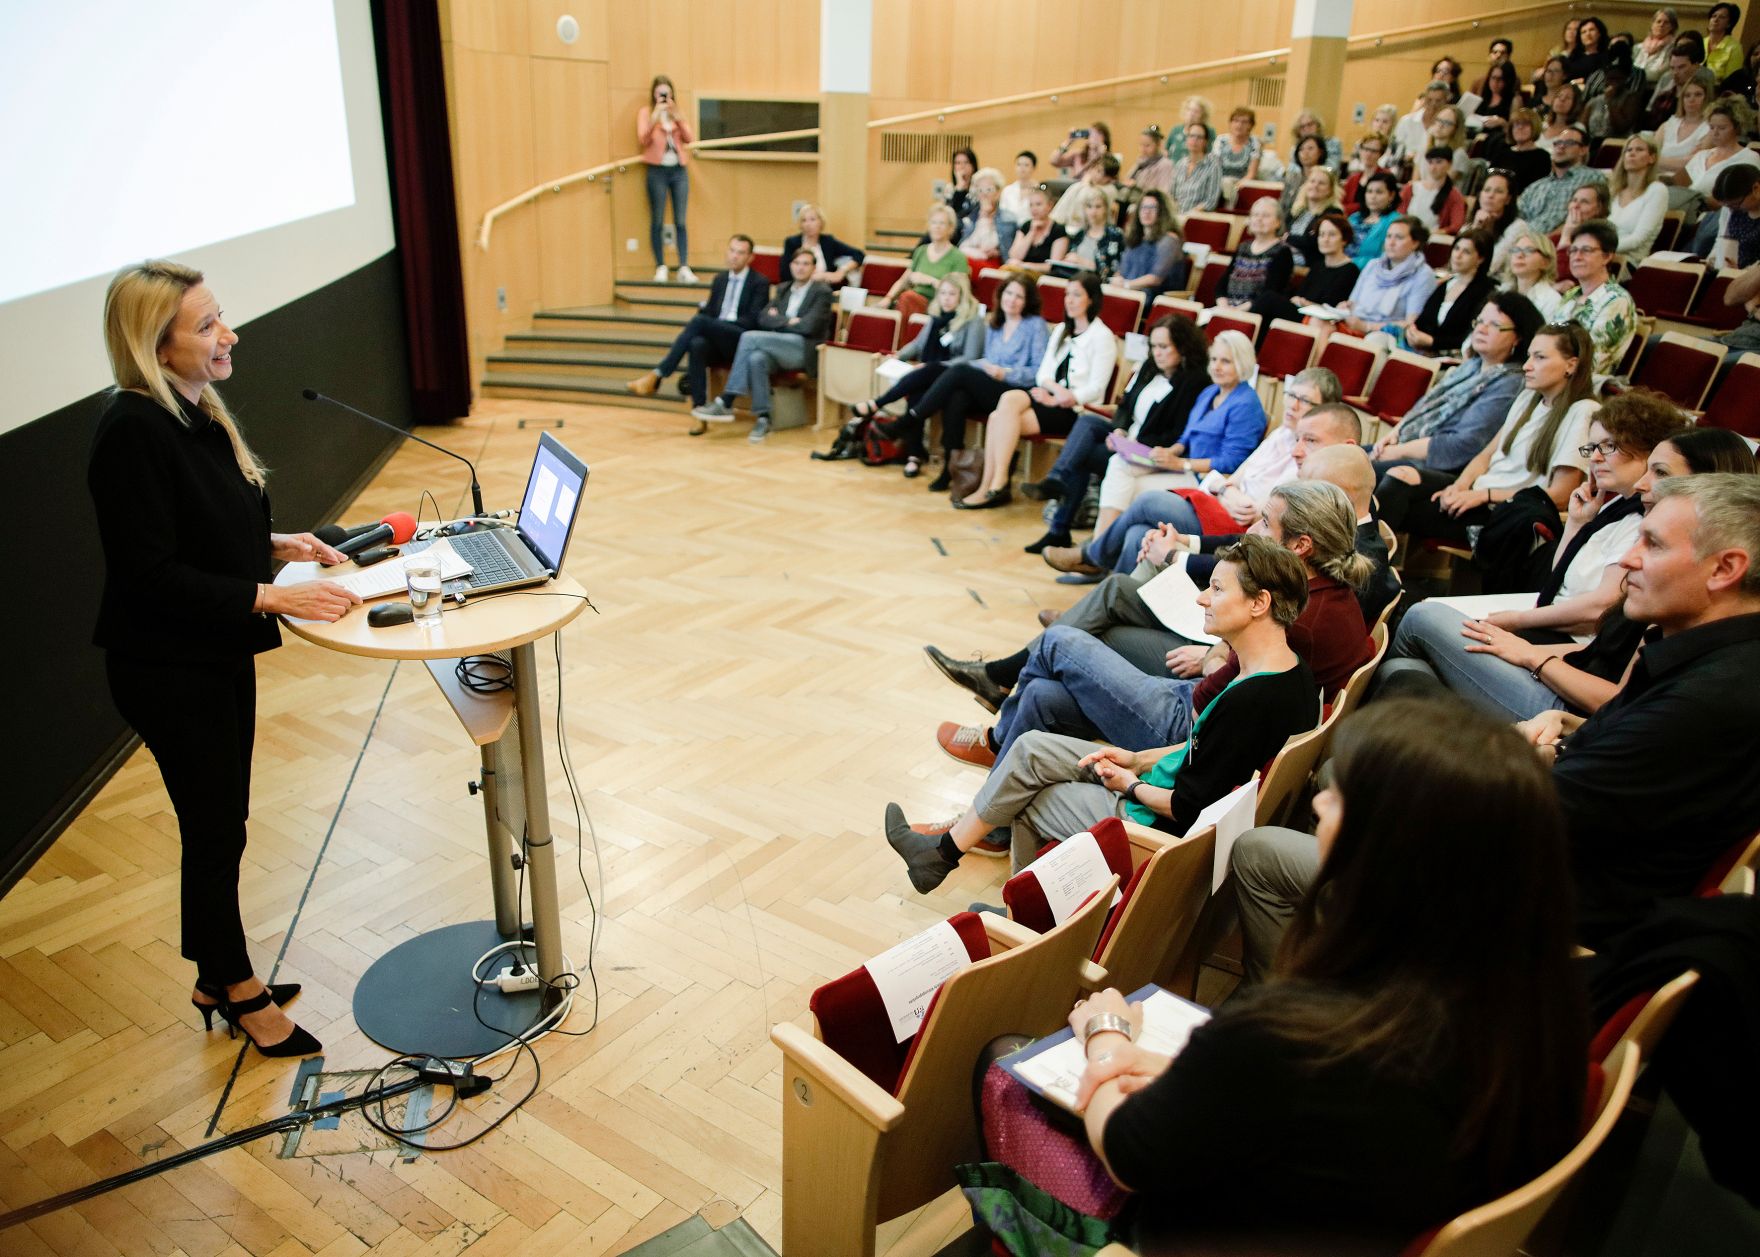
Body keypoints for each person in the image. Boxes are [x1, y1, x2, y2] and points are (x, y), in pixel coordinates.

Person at [1086, 696, 1588, 1254]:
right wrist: (1169, 1066)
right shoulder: (1535, 1004)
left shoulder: (1297, 1035)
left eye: (1341, 794)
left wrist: (1105, 1037)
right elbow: (1283, 1106)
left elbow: (1131, 1154)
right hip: (1357, 1217)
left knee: (1007, 1067)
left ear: (1389, 844)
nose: (1320, 801)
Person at [90, 261, 355, 1058]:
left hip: (208, 654)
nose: (227, 335)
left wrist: (276, 545)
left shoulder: (193, 413)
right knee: (214, 828)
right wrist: (275, 596)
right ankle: (237, 988)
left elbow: (199, 528)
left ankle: (215, 973)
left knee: (221, 826)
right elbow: (151, 574)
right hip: (166, 666)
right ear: (153, 344)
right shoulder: (131, 429)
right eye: (205, 327)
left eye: (220, 318)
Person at [886, 535, 1320, 889]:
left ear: (1259, 603)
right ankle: (938, 858)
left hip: (1161, 829)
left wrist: (1130, 784)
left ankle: (1019, 917)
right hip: (1162, 783)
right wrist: (1135, 758)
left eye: (1218, 589)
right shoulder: (1290, 672)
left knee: (1029, 797)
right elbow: (1203, 751)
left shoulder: (1251, 699)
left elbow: (1187, 808)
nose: (1203, 598)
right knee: (1031, 748)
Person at [959, 482, 1367, 780]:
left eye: (1264, 522)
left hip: (1186, 728)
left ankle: (997, 738)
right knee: (1041, 695)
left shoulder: (1302, 617)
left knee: (1059, 641)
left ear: (1301, 546)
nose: (1253, 531)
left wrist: (1214, 653)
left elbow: (1216, 688)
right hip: (1198, 712)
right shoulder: (1323, 593)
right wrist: (1218, 651)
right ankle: (994, 821)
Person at [1378, 423, 1757, 723]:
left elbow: (1620, 698)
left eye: (1659, 472)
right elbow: (1589, 637)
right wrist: (1576, 526)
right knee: (1404, 668)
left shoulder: (1681, 589)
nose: (1643, 481)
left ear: (1705, 485)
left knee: (1421, 615)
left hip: (1571, 707)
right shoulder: (1624, 515)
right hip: (1568, 670)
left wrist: (1532, 656)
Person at [1538, 472, 1760, 945]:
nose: (1627, 558)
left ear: (1725, 569)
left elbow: (1536, 814)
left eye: (1652, 545)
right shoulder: (1701, 656)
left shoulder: (1709, 698)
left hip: (1558, 912)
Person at [1044, 397, 1364, 581]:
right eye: (1291, 395)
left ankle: (1094, 560)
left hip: (1236, 529)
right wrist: (1223, 493)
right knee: (1138, 531)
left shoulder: (1316, 494)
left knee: (1148, 503)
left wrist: (1175, 554)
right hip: (1225, 505)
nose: (1293, 405)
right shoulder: (1284, 438)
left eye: (1304, 400)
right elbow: (1231, 477)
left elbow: (1255, 548)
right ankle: (1104, 604)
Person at [1376, 323, 1598, 548]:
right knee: (1398, 476)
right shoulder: (1528, 399)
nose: (1527, 366)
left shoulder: (1582, 412)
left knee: (1390, 503)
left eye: (1539, 358)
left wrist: (1485, 495)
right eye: (1529, 356)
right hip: (1478, 492)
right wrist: (1460, 486)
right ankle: (1365, 568)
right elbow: (1487, 455)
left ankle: (1366, 571)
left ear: (1571, 365)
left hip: (1503, 512)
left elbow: (1561, 494)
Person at [1020, 315, 1210, 554]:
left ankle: (1061, 528)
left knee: (1083, 455)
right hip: (1127, 438)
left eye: (1163, 347)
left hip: (1150, 451)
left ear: (1182, 347)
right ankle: (1058, 481)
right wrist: (1119, 429)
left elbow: (1176, 434)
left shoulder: (1194, 382)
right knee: (1088, 422)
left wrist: (1128, 444)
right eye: (1153, 346)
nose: (1157, 353)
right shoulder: (1149, 367)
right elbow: (1125, 406)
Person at [846, 274, 1049, 486]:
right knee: (956, 397)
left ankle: (904, 421)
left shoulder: (1035, 325)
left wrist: (1005, 373)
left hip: (1015, 391)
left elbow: (1037, 371)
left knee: (956, 370)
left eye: (1019, 296)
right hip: (989, 383)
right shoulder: (995, 323)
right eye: (1008, 293)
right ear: (1001, 295)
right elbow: (983, 360)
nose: (1012, 299)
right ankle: (950, 467)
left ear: (1027, 301)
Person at [1070, 331, 1266, 540]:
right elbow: (1186, 437)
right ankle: (1100, 544)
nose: (1216, 367)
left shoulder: (1246, 404)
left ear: (1242, 362)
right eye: (1215, 359)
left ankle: (1098, 547)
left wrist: (1181, 463)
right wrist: (1171, 451)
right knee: (1119, 463)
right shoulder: (1210, 392)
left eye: (1225, 361)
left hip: (1207, 481)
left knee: (1132, 490)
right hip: (1185, 468)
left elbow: (1232, 461)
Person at [959, 272, 1116, 510]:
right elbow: (1043, 373)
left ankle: (993, 485)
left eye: (1077, 295)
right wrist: (1052, 391)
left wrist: (1064, 397)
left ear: (1091, 299)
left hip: (1076, 412)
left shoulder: (1102, 337)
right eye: (1067, 294)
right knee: (1006, 402)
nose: (1069, 300)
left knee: (997, 418)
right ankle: (994, 483)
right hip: (1048, 399)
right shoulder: (1063, 329)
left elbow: (1097, 388)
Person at [1372, 292, 1542, 477]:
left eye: (1494, 325)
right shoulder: (1471, 365)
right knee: (1344, 453)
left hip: (1435, 468)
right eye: (1479, 322)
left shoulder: (1510, 383)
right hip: (1407, 448)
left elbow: (1463, 444)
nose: (1481, 330)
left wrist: (1400, 451)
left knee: (1349, 467)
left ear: (1518, 337)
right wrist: (1395, 434)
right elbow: (1424, 406)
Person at [836, 274, 986, 473]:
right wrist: (898, 356)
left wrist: (938, 365)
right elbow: (918, 344)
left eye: (952, 294)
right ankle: (914, 455)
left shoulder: (973, 320)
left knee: (928, 369)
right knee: (916, 395)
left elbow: (970, 357)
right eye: (942, 293)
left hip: (955, 377)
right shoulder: (936, 316)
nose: (946, 298)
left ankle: (877, 403)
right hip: (928, 375)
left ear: (962, 296)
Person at [689, 249, 833, 441]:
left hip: (802, 349)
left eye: (806, 264)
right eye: (797, 263)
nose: (800, 268)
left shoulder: (822, 292)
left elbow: (809, 326)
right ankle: (763, 418)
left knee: (749, 338)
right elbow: (763, 319)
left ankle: (727, 399)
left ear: (814, 268)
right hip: (776, 345)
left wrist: (780, 320)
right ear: (791, 266)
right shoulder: (783, 289)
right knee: (756, 359)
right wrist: (790, 321)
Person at [626, 234, 768, 407]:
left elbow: (753, 320)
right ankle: (698, 407)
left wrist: (717, 325)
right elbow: (710, 312)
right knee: (696, 344)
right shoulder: (720, 279)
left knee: (700, 322)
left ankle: (659, 373)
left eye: (740, 252)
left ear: (750, 257)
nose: (734, 256)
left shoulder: (759, 282)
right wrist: (708, 317)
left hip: (740, 338)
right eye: (732, 250)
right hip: (718, 337)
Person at [1554, 219, 1639, 378]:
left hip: (1581, 386)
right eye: (1573, 250)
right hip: (1552, 375)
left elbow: (1591, 362)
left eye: (1586, 250)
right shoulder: (1571, 295)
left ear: (1607, 256)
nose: (1576, 257)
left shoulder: (1617, 300)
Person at [1339, 215, 1438, 338]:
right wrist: (1344, 308)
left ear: (1415, 243)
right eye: (1388, 236)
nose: (1391, 242)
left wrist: (1367, 327)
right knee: (1317, 322)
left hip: (1385, 336)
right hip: (1354, 325)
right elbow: (1352, 302)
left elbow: (1411, 324)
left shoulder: (1423, 275)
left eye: (1399, 238)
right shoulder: (1373, 265)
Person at [637, 75, 695, 283]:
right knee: (658, 219)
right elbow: (643, 138)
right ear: (653, 94)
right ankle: (660, 265)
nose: (663, 96)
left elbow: (689, 138)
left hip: (678, 170)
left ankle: (683, 266)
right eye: (659, 92)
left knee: (680, 220)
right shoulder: (647, 112)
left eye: (666, 92)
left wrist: (676, 116)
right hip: (657, 171)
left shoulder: (676, 112)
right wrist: (655, 116)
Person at [1684, 99, 1760, 254]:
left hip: (1719, 215)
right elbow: (1680, 187)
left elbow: (1745, 199)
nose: (1715, 133)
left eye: (1722, 128)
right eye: (1711, 127)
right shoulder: (1701, 156)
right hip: (1688, 213)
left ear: (1737, 128)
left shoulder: (1748, 158)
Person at [1405, 228, 1496, 355]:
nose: (1457, 255)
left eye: (1466, 252)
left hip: (1452, 357)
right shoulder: (1446, 284)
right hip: (1423, 350)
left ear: (1480, 259)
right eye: (1456, 248)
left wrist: (1432, 341)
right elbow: (1423, 320)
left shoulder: (1486, 292)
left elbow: (1469, 336)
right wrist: (1412, 332)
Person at [1265, 212, 1360, 324]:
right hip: (1301, 312)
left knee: (1268, 299)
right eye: (1321, 234)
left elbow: (1334, 308)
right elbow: (1300, 294)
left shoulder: (1350, 270)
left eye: (1332, 234)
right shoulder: (1317, 265)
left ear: (1344, 240)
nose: (1325, 239)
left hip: (1319, 320)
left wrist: (1306, 303)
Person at [883, 204, 971, 321]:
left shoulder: (958, 257)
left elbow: (961, 292)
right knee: (904, 300)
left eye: (942, 223)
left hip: (939, 305)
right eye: (934, 223)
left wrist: (930, 280)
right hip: (913, 301)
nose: (937, 227)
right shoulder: (921, 251)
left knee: (908, 298)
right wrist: (888, 298)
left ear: (950, 228)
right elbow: (903, 280)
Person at [1515, 123, 1607, 234]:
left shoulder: (1592, 177)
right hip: (1524, 241)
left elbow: (1593, 218)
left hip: (1564, 241)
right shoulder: (1537, 186)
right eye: (1557, 143)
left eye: (1569, 143)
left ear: (1583, 150)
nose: (1561, 146)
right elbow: (1516, 218)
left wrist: (1548, 241)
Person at [1213, 198, 1294, 313]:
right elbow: (1221, 285)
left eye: (1265, 216)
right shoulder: (1243, 247)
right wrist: (1224, 307)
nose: (1259, 219)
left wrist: (1236, 311)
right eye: (1255, 215)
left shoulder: (1282, 252)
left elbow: (1270, 293)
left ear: (1278, 222)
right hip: (1227, 309)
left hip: (1255, 313)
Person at [1604, 136, 1670, 263]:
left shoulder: (1657, 190)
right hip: (1600, 256)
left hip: (1627, 261)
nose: (1632, 153)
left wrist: (1600, 249)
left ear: (1652, 158)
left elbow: (1638, 239)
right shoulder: (1613, 190)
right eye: (1628, 150)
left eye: (1639, 150)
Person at [1115, 190, 1184, 297]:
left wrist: (1126, 285)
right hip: (1129, 291)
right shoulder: (1136, 236)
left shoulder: (1169, 240)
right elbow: (1122, 269)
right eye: (1143, 207)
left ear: (1162, 212)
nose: (1146, 212)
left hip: (1153, 296)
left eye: (1153, 208)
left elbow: (1155, 279)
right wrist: (1117, 280)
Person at [783, 203, 864, 286]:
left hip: (825, 291)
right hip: (798, 289)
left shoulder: (828, 241)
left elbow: (859, 254)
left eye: (812, 219)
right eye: (804, 220)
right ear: (801, 224)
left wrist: (841, 271)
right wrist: (812, 277)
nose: (808, 224)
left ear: (821, 222)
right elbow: (785, 275)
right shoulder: (792, 243)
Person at [1657, 70, 1715, 183]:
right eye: (1687, 95)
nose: (1691, 99)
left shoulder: (1710, 129)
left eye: (1698, 94)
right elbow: (1649, 154)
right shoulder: (1668, 125)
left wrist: (1656, 161)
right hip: (1657, 179)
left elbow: (1692, 165)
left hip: (1685, 183)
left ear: (1707, 97)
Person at [1498, 222, 1566, 320]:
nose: (1519, 255)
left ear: (1546, 262)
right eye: (1516, 250)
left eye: (1528, 250)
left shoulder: (1551, 300)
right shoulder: (1502, 292)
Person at [1483, 107, 1554, 195]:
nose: (1520, 127)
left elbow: (1536, 190)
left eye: (1525, 124)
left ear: (1534, 127)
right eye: (1516, 124)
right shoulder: (1502, 152)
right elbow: (1489, 180)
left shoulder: (1542, 157)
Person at [1398, 146, 1467, 233]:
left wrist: (1439, 232)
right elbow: (1398, 214)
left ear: (1450, 164)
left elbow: (1456, 225)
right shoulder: (1410, 188)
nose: (1433, 167)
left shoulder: (1454, 196)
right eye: (1430, 162)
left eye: (1439, 162)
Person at [1062, 185, 1125, 281]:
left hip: (1100, 285)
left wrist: (1082, 261)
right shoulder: (1079, 234)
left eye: (1098, 206)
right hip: (1075, 280)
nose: (1093, 211)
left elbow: (1113, 271)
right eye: (1089, 206)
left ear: (1106, 209)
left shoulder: (1115, 235)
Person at [1286, 166, 1345, 265]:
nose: (1315, 186)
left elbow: (1315, 242)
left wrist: (1289, 238)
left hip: (1311, 264)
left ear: (1330, 190)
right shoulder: (1297, 210)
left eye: (1321, 183)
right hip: (1288, 259)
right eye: (1312, 181)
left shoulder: (1333, 213)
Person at [1005, 185, 1069, 272]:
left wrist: (1025, 265)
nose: (1034, 209)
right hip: (1020, 272)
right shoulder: (1026, 226)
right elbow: (1015, 256)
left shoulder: (1058, 230)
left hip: (1042, 275)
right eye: (1031, 205)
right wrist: (1031, 232)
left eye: (1038, 204)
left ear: (1050, 205)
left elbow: (1054, 266)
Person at [1392, 82, 1452, 170]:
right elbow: (1395, 149)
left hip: (1431, 169)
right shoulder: (1407, 121)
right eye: (1429, 100)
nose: (1433, 104)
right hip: (1403, 167)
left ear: (1446, 101)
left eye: (1438, 101)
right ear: (1424, 99)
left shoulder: (1447, 127)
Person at [1168, 121, 1223, 214]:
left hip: (1197, 219)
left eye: (1199, 137)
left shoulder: (1213, 166)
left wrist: (1188, 216)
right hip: (1176, 216)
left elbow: (1210, 202)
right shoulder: (1180, 164)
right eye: (1191, 136)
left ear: (1205, 142)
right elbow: (1172, 195)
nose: (1194, 140)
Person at [956, 167, 1007, 262]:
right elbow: (962, 246)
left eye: (989, 190)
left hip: (990, 265)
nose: (984, 194)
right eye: (980, 190)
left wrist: (987, 219)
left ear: (998, 192)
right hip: (966, 260)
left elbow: (987, 247)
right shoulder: (970, 216)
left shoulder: (1007, 219)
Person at [1348, 171, 1400, 261]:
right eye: (1369, 191)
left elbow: (1385, 258)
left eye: (1379, 192)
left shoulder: (1396, 222)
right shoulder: (1354, 217)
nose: (1373, 196)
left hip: (1369, 271)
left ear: (1391, 195)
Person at [1280, 134, 1332, 215]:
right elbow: (1282, 207)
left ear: (1320, 152)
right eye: (1301, 149)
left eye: (1310, 148)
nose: (1305, 152)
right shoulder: (1291, 178)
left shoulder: (1326, 177)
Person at [1120, 124, 1173, 199]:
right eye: (1141, 145)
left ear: (1158, 144)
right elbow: (1127, 179)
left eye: (1147, 145)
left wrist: (1137, 186)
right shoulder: (1141, 161)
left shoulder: (1165, 164)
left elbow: (1163, 192)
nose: (1143, 149)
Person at [1216, 106, 1262, 190]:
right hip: (1220, 183)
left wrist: (1236, 187)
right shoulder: (1221, 140)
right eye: (1236, 120)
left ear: (1251, 125)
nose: (1239, 125)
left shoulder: (1254, 142)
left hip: (1244, 185)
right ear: (1230, 123)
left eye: (1244, 122)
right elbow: (1214, 168)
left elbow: (1251, 174)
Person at [1476, 60, 1527, 133]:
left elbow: (1516, 132)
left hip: (1499, 140)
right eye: (1493, 78)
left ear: (1508, 80)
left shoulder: (1515, 100)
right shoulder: (1484, 95)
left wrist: (1502, 123)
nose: (1495, 82)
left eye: (1500, 79)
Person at [1340, 134, 1389, 209]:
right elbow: (1342, 204)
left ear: (1381, 154)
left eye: (1374, 151)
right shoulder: (1353, 179)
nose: (1368, 154)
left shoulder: (1386, 176)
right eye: (1365, 149)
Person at [1633, 8, 1681, 80]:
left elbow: (1658, 75)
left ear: (1672, 27)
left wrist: (1636, 76)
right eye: (1658, 21)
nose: (1661, 25)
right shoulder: (1637, 47)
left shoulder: (1674, 48)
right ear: (1652, 25)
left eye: (1666, 22)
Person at [1707, 3, 1745, 85]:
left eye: (1722, 17)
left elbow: (1732, 82)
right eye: (1714, 16)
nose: (1715, 20)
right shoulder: (1701, 42)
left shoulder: (1734, 48)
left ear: (1729, 24)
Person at [998, 150, 1039, 226]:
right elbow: (1002, 215)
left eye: (1026, 165)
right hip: (1009, 229)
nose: (1022, 168)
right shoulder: (1007, 190)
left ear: (1033, 168)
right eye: (1019, 164)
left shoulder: (1039, 190)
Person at [1566, 15, 1612, 79]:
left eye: (1591, 30)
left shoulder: (1606, 56)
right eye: (1583, 32)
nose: (1588, 34)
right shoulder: (1574, 55)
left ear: (1599, 33)